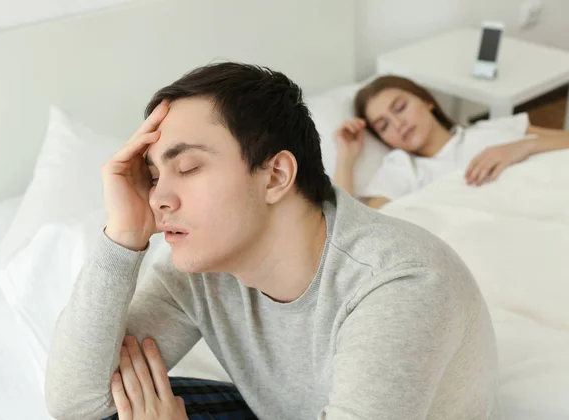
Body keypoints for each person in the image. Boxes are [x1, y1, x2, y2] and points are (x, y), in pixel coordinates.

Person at [45, 62, 500, 420]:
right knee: (118, 407)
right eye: (153, 176)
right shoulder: (201, 272)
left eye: (186, 169)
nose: (160, 198)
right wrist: (122, 238)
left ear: (277, 175)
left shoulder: (401, 285)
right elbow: (76, 404)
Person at [334, 75, 569, 209]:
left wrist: (522, 146)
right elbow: (347, 228)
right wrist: (346, 157)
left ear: (427, 101)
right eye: (383, 126)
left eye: (400, 107)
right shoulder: (402, 168)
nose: (398, 124)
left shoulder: (493, 129)